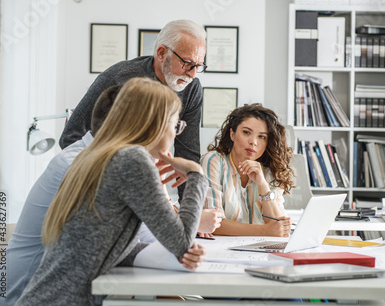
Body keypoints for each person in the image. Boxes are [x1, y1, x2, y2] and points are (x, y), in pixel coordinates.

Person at [16, 77, 208, 306]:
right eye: (175, 125)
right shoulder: (132, 159)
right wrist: (197, 174)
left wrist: (172, 252)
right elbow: (182, 241)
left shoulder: (99, 155)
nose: (175, 134)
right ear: (155, 123)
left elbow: (102, 245)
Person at [59, 19, 206, 200]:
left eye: (198, 66)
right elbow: (70, 138)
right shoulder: (118, 78)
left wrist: (191, 209)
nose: (192, 73)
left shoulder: (191, 88)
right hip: (99, 184)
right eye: (187, 63)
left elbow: (188, 154)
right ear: (161, 53)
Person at [200, 103, 295, 237]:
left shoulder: (270, 169)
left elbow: (280, 227)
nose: (253, 142)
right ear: (232, 134)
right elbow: (212, 223)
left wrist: (262, 185)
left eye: (262, 137)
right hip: (222, 249)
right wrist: (265, 231)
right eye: (246, 132)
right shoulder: (213, 161)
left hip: (260, 250)